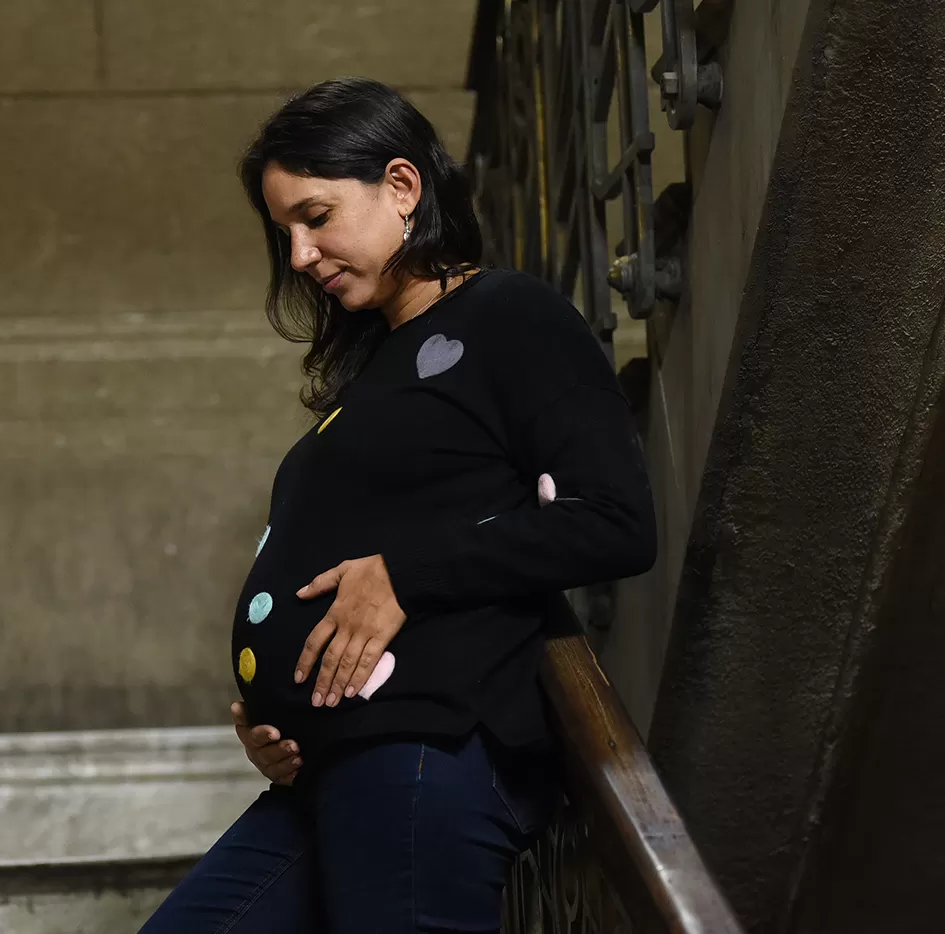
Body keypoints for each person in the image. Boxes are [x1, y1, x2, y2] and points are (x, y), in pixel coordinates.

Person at [139, 77, 656, 934]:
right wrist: (279, 714)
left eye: (318, 217)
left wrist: (404, 576)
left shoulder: (510, 317)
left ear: (403, 187)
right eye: (286, 233)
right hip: (335, 766)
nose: (300, 255)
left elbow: (615, 517)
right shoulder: (375, 364)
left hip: (426, 752)